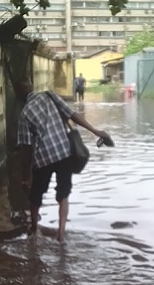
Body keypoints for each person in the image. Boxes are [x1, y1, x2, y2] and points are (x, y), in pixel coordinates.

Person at [14, 80, 111, 241]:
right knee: (63, 193)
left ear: (19, 96)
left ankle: (33, 229)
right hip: (63, 152)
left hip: (42, 158)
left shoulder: (24, 114)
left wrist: (25, 177)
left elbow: (26, 148)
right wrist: (95, 131)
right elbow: (73, 115)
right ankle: (61, 233)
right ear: (33, 87)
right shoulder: (49, 96)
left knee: (36, 194)